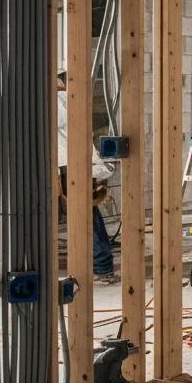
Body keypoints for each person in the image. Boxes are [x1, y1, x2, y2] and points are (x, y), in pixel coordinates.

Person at [56, 70, 119, 287]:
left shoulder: (61, 100)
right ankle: (102, 266)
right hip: (72, 166)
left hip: (68, 167)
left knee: (87, 218)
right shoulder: (71, 101)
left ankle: (101, 267)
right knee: (88, 217)